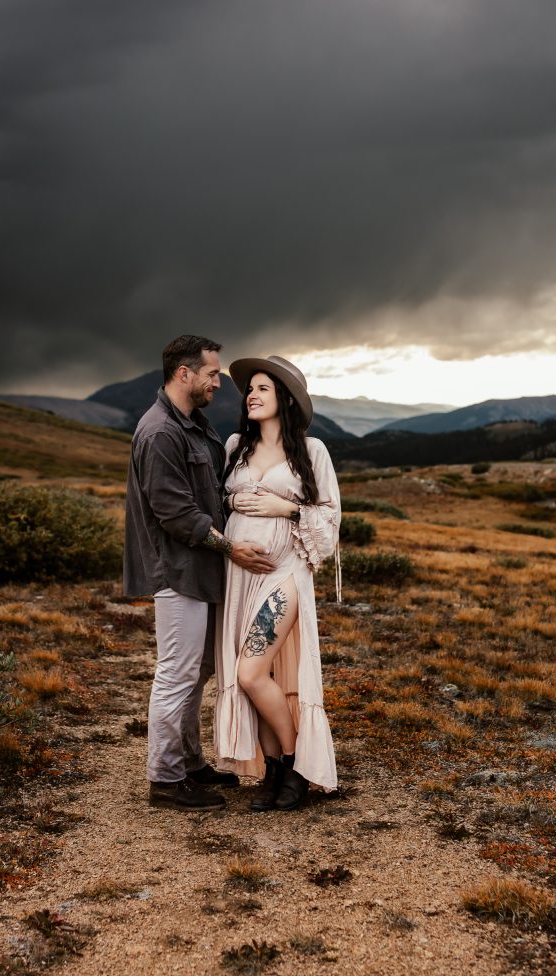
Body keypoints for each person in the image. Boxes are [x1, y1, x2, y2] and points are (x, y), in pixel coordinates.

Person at [124, 335, 275, 812]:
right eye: (212, 373)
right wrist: (232, 548)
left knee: (199, 670)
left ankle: (189, 763)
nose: (218, 381)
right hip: (178, 573)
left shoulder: (193, 426)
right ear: (184, 373)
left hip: (202, 572)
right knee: (177, 673)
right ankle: (166, 780)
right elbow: (175, 514)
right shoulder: (160, 434)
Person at [214, 355, 340, 811]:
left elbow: (330, 521)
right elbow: (218, 499)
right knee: (256, 677)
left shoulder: (313, 451)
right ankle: (272, 771)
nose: (251, 393)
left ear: (284, 399)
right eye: (249, 388)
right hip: (238, 575)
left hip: (285, 572)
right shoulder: (234, 447)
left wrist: (285, 509)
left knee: (250, 671)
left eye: (263, 388)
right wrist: (234, 502)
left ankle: (294, 766)